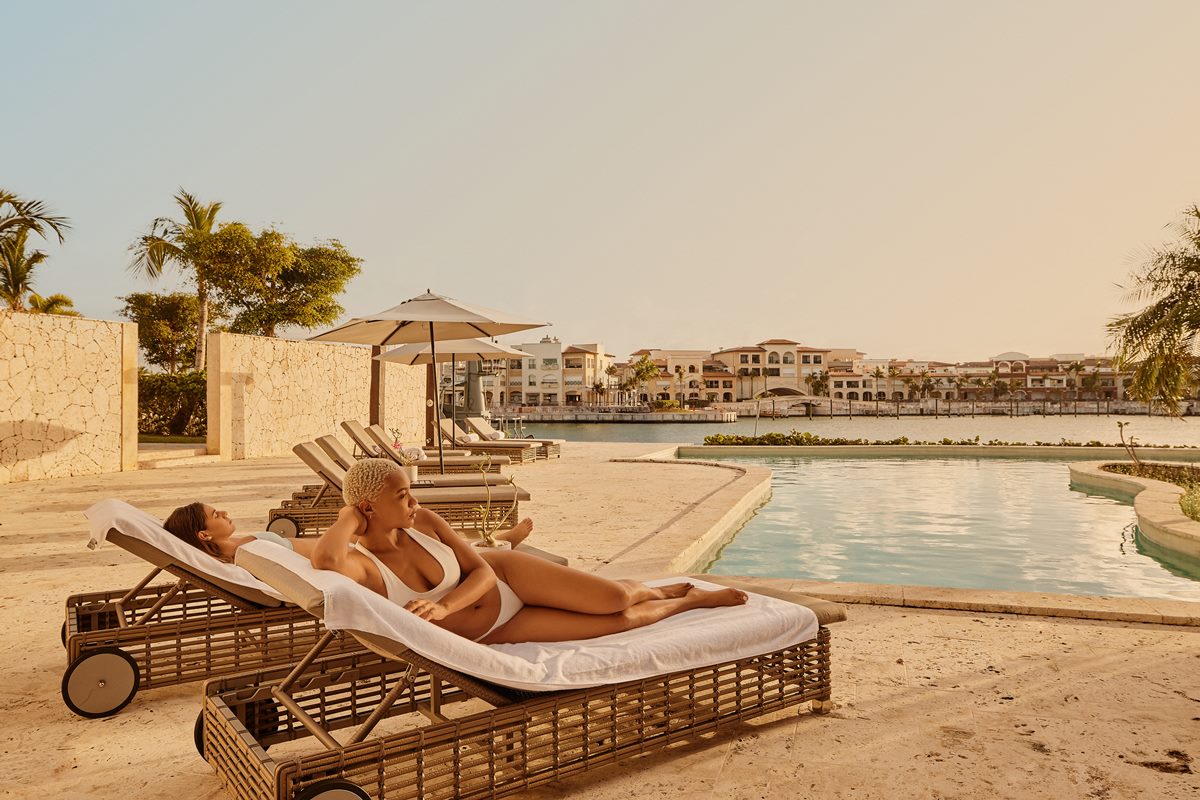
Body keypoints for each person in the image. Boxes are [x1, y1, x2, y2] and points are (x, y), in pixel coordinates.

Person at [311, 459, 747, 645]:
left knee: (615, 598)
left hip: (508, 576)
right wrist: (352, 513)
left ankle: (651, 589)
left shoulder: (423, 523)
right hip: (496, 629)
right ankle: (690, 599)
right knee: (620, 623)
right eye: (403, 495)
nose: (414, 502)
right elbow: (326, 561)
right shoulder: (363, 566)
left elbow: (481, 571)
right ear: (369, 507)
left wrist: (443, 608)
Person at [162, 502, 535, 564]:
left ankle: (498, 539)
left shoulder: (240, 547)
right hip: (353, 557)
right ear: (205, 535)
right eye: (215, 515)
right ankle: (498, 543)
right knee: (419, 528)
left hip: (347, 546)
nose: (223, 512)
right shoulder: (243, 554)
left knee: (417, 524)